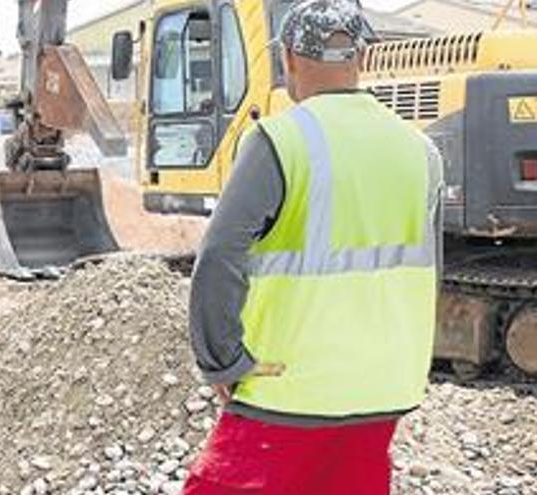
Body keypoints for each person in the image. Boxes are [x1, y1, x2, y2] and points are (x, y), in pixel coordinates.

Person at [183, 0, 444, 494]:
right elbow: (432, 272)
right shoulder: (420, 149)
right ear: (362, 58)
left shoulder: (280, 140)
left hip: (291, 389)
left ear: (288, 58)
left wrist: (221, 360)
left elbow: (219, 254)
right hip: (385, 385)